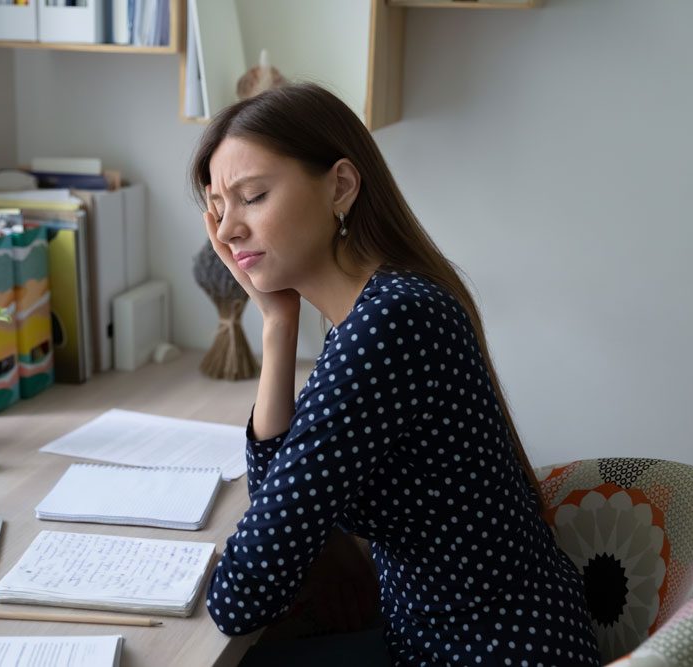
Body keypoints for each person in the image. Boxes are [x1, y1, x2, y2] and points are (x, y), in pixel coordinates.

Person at [190, 82, 601, 667]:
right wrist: (277, 326)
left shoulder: (390, 323)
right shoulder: (371, 311)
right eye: (218, 207)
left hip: (490, 652)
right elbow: (275, 500)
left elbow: (243, 595)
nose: (228, 230)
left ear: (340, 186)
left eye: (252, 196)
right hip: (428, 641)